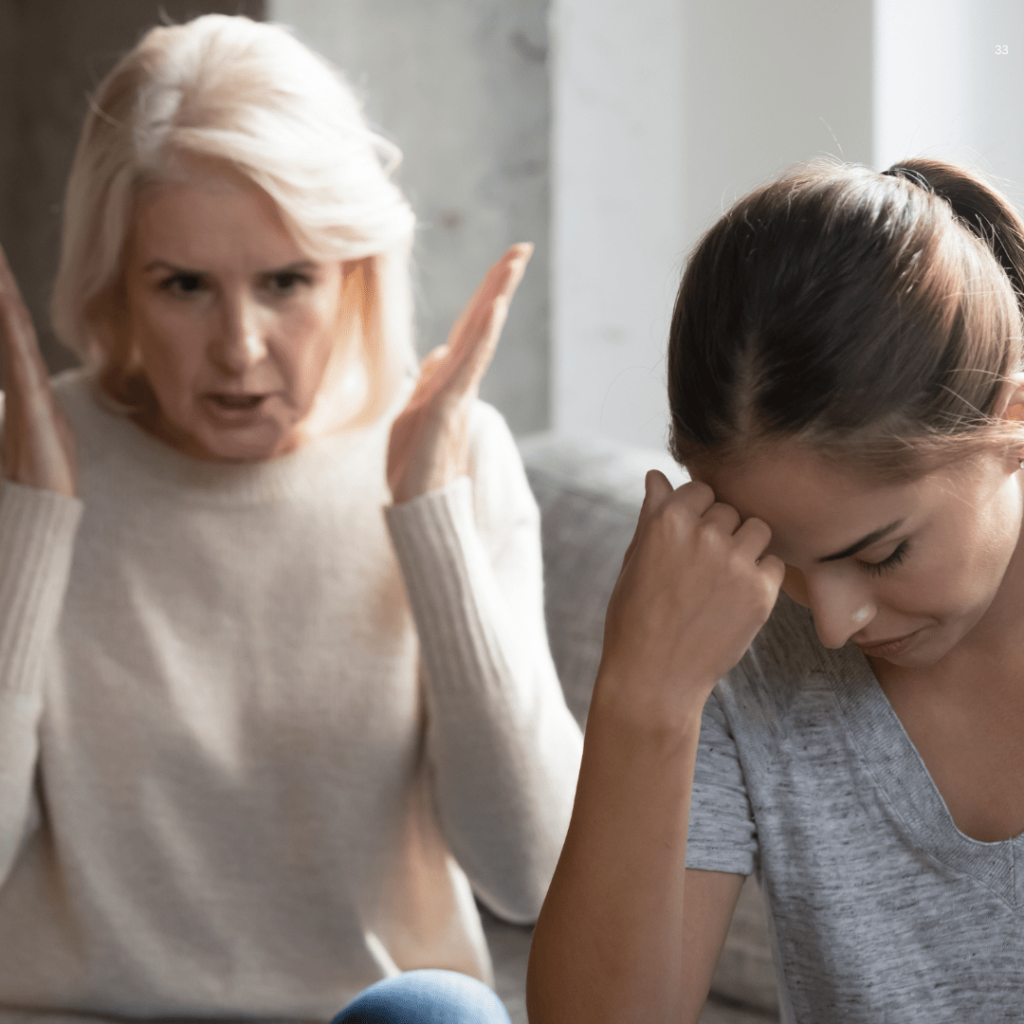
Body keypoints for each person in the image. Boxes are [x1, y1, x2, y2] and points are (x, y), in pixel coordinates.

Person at [0, 14, 583, 1024]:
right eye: (183, 285)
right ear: (117, 285)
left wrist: (431, 517)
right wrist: (35, 521)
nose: (239, 348)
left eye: (286, 282)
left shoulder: (456, 456)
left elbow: (532, 875)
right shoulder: (25, 460)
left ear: (352, 268)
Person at [527, 157, 1024, 1023]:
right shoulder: (732, 640)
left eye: (882, 554)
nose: (831, 623)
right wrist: (645, 694)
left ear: (1011, 425)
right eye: (782, 559)